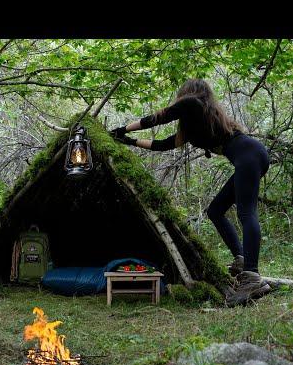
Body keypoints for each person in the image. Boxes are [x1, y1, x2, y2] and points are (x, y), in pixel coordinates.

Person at [110, 78, 271, 306]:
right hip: (250, 156)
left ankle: (252, 276)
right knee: (215, 211)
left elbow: (157, 118)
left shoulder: (193, 103)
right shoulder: (197, 123)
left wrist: (122, 128)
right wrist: (128, 141)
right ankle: (241, 259)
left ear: (190, 93)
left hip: (249, 153)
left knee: (247, 213)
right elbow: (163, 144)